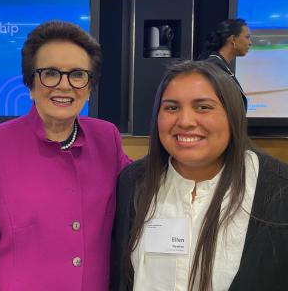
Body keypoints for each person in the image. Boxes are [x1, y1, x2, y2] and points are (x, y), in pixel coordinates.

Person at [0, 21, 132, 291]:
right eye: (50, 73)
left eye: (78, 74)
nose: (64, 85)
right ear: (31, 83)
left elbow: (143, 188)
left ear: (89, 86)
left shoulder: (106, 138)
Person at [111, 60, 288, 291]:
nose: (185, 121)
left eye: (203, 107)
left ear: (232, 114)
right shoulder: (133, 182)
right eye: (172, 108)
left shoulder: (279, 189)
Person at [198, 18, 252, 110]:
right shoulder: (213, 67)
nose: (250, 43)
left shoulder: (220, 65)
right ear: (233, 39)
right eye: (247, 37)